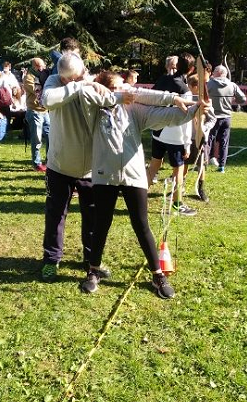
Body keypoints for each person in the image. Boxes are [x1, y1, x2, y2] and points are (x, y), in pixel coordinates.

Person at [79, 71, 211, 298]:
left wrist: (194, 110)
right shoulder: (93, 110)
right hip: (104, 174)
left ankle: (158, 274)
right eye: (121, 86)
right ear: (107, 89)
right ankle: (93, 270)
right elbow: (88, 90)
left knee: (141, 223)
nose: (129, 91)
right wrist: (101, 88)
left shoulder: (135, 110)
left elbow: (168, 116)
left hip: (134, 174)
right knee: (101, 222)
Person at [40, 53, 119, 281]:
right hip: (59, 165)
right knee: (55, 216)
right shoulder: (54, 81)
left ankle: (92, 259)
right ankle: (51, 260)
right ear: (64, 78)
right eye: (73, 78)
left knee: (93, 216)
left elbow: (114, 98)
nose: (83, 77)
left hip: (90, 168)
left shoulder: (91, 81)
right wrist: (78, 85)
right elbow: (47, 101)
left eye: (83, 73)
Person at [146, 53, 197, 216]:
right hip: (174, 136)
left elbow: (151, 100)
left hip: (157, 131)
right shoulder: (184, 89)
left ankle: (138, 198)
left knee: (154, 165)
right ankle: (177, 204)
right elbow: (186, 119)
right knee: (178, 170)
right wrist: (187, 144)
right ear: (191, 69)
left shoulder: (162, 80)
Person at [183, 74, 217, 202]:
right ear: (192, 86)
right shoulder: (185, 98)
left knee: (201, 164)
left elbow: (213, 119)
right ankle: (180, 186)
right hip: (186, 137)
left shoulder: (206, 101)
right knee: (184, 162)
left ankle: (201, 188)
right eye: (198, 86)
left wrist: (204, 129)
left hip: (200, 137)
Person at [207, 65, 247, 173]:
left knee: (208, 140)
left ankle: (203, 164)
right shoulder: (232, 85)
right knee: (224, 142)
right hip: (226, 118)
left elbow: (201, 96)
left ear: (217, 72)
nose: (212, 73)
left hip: (212, 117)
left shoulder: (209, 84)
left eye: (214, 71)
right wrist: (234, 101)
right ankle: (222, 166)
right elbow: (243, 99)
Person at [24, 57, 50, 172]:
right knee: (37, 139)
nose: (42, 68)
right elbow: (37, 90)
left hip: (45, 111)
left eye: (43, 66)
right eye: (40, 66)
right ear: (34, 66)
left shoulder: (44, 75)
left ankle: (50, 161)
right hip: (34, 111)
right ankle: (37, 163)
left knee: (50, 136)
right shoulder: (29, 77)